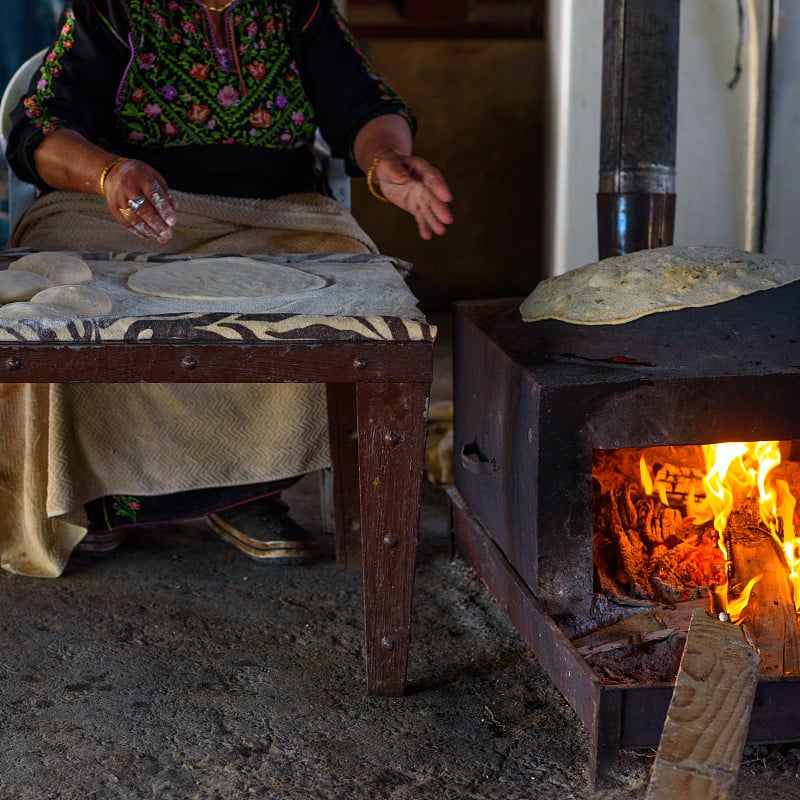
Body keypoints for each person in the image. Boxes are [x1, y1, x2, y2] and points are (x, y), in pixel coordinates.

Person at [2, 0, 452, 576]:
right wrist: (108, 173)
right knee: (70, 306)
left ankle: (249, 491)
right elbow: (40, 127)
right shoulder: (111, 8)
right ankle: (101, 496)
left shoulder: (298, 9)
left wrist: (387, 159)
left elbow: (365, 105)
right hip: (123, 210)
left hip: (278, 213)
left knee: (341, 305)